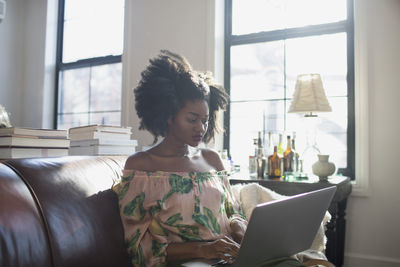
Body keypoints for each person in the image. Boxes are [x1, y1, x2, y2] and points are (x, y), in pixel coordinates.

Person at [113, 50, 332, 267]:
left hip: (230, 256)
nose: (201, 128)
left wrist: (239, 228)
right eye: (192, 119)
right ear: (168, 116)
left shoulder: (211, 159)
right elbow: (139, 247)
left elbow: (232, 212)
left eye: (205, 120)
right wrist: (203, 250)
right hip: (191, 262)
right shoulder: (141, 167)